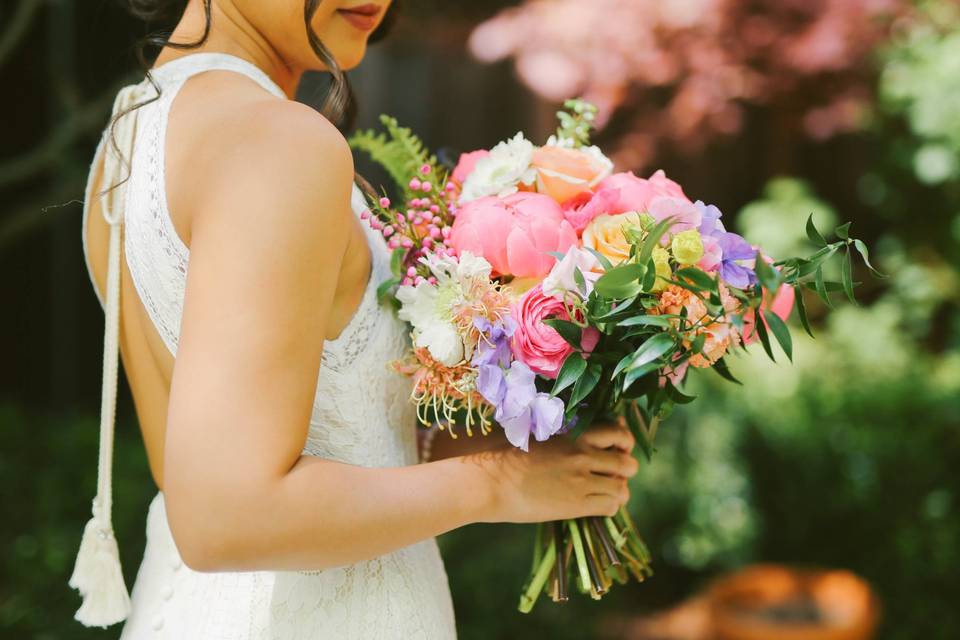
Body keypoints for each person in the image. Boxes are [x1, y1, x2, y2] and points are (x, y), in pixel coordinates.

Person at [75, 1, 640, 637]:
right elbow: (226, 515)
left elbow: (234, 452)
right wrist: (498, 484)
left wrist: (512, 433)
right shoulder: (278, 142)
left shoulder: (131, 133)